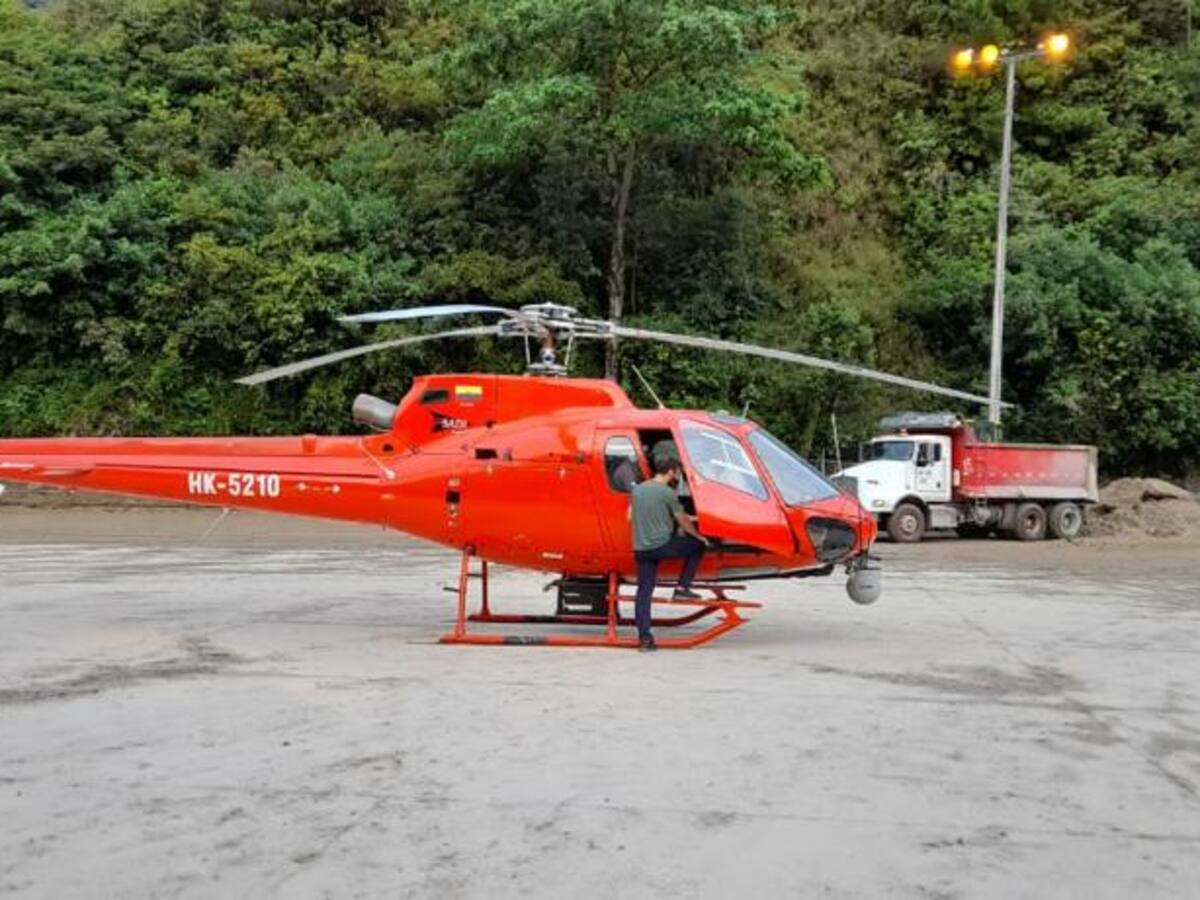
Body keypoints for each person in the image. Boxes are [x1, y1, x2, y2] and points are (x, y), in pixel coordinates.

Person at [630, 456, 709, 652]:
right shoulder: (667, 492)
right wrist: (699, 536)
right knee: (697, 546)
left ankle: (645, 640)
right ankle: (682, 587)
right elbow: (682, 520)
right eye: (677, 472)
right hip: (661, 546)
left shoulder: (638, 490)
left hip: (641, 549)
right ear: (671, 471)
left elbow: (629, 517)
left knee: (643, 594)